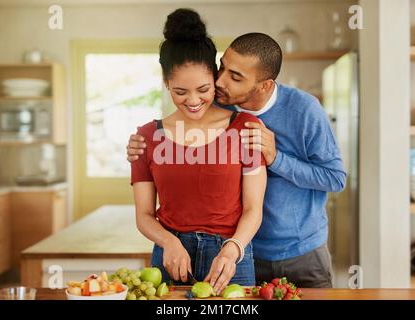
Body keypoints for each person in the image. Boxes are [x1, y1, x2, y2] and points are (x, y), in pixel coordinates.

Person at [128, 30, 347, 288]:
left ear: (263, 85)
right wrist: (143, 143)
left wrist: (275, 157)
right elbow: (183, 123)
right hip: (242, 249)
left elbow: (335, 178)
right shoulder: (220, 105)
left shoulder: (304, 110)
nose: (220, 81)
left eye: (235, 77)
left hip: (299, 252)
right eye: (222, 67)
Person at [130, 8, 267, 295]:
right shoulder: (147, 137)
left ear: (216, 77)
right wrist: (168, 242)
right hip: (171, 257)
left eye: (203, 89)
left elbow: (254, 208)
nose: (193, 101)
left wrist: (234, 248)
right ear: (166, 82)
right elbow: (143, 214)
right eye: (180, 92)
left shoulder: (246, 128)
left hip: (231, 257)